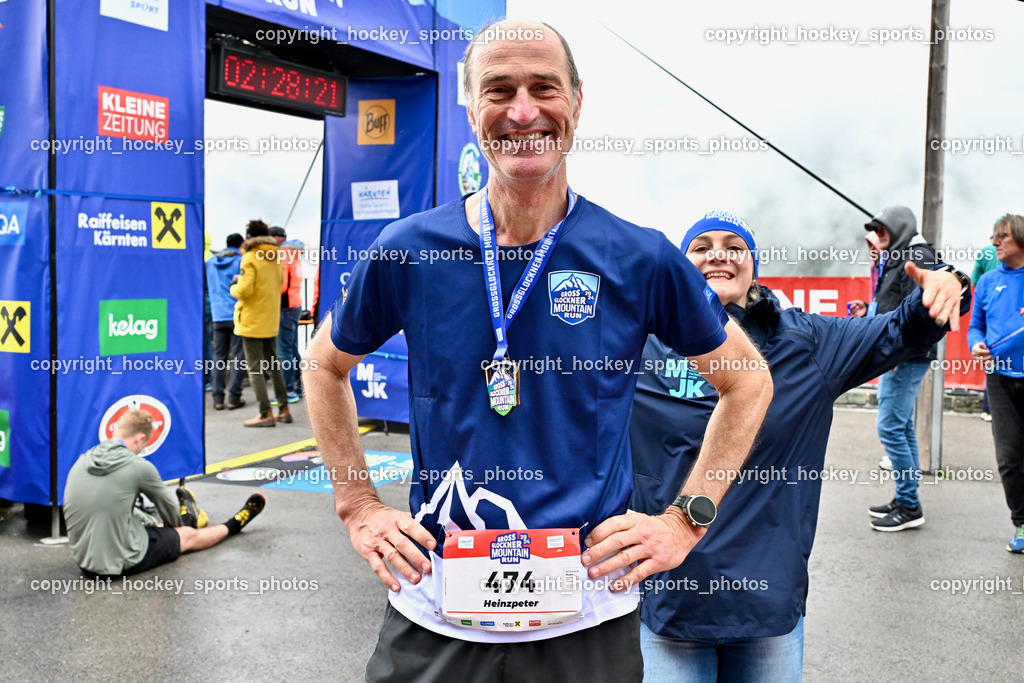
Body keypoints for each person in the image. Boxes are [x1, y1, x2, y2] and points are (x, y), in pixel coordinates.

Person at [303, 19, 773, 682]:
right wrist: (358, 503)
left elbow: (747, 381)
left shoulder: (637, 255)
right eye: (499, 90)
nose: (523, 110)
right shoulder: (409, 249)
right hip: (435, 608)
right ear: (470, 110)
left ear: (577, 101)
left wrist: (685, 519)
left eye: (543, 87)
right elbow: (325, 364)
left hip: (583, 618)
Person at [632, 212, 970, 682]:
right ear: (681, 266)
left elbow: (901, 330)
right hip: (668, 602)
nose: (718, 254)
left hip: (767, 612)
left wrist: (950, 283)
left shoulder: (807, 342)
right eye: (701, 246)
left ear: (755, 268)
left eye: (734, 246)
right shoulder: (643, 345)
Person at [63, 410, 266, 576]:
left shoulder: (82, 461)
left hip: (83, 560)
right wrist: (179, 525)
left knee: (151, 525)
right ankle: (233, 524)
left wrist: (152, 523)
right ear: (141, 438)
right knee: (187, 535)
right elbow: (169, 511)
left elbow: (107, 508)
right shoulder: (138, 466)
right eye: (143, 446)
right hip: (117, 563)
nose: (141, 450)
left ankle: (188, 517)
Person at [849, 206, 941, 531]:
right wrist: (869, 308)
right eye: (876, 229)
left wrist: (894, 354)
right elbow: (894, 305)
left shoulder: (916, 254)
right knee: (901, 427)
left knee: (889, 427)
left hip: (904, 355)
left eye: (883, 228)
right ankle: (907, 498)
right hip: (902, 353)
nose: (878, 234)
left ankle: (910, 506)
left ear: (899, 227)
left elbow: (915, 310)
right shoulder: (900, 253)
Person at [969, 213, 1024, 553]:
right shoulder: (988, 280)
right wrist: (975, 343)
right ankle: (1021, 522)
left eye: (1002, 236)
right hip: (1000, 380)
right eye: (993, 236)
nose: (994, 242)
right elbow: (976, 324)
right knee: (1008, 457)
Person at [231, 219, 291, 427]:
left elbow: (244, 291)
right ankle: (284, 408)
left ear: (249, 236)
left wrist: (234, 285)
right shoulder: (275, 256)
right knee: (273, 366)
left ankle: (265, 413)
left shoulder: (249, 257)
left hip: (251, 320)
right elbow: (280, 284)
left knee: (255, 369)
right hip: (270, 319)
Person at [206, 233, 246, 410]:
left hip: (217, 315)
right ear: (240, 245)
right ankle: (233, 398)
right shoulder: (241, 262)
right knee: (239, 357)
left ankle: (217, 399)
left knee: (218, 358)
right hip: (237, 315)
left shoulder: (210, 263)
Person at [270, 226, 303, 403]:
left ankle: (287, 391)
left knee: (283, 351)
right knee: (292, 348)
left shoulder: (282, 254)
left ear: (276, 238)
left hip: (284, 306)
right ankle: (301, 386)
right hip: (295, 304)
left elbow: (280, 285)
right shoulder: (294, 253)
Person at [972, 240, 999, 422]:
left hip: (990, 310)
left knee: (991, 358)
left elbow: (974, 278)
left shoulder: (986, 252)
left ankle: (989, 409)